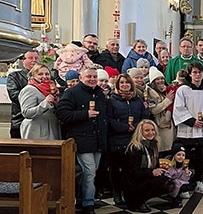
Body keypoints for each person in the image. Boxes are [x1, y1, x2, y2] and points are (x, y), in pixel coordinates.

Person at [57, 68, 108, 214]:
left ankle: (82, 198)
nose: (92, 79)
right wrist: (84, 114)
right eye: (89, 76)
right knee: (90, 171)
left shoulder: (99, 93)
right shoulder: (72, 93)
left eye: (94, 76)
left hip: (98, 140)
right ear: (81, 77)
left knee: (92, 172)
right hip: (82, 140)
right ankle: (88, 204)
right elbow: (62, 113)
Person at [172, 62, 203, 195]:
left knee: (200, 159)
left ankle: (198, 182)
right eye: (195, 72)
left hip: (202, 130)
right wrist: (192, 122)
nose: (197, 75)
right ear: (190, 74)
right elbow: (179, 108)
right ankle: (181, 185)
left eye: (200, 72)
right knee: (183, 159)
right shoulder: (182, 89)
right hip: (187, 130)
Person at [106, 73, 147, 206]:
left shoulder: (137, 100)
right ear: (118, 85)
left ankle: (128, 192)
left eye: (127, 83)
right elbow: (109, 119)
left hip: (133, 139)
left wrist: (136, 127)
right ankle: (116, 193)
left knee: (130, 169)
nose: (125, 85)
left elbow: (143, 116)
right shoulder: (111, 100)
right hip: (117, 139)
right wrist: (123, 127)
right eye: (122, 83)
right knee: (115, 168)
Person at [122, 119, 171, 213]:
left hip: (145, 177)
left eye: (152, 130)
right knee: (158, 181)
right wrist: (151, 172)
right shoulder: (135, 148)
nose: (151, 133)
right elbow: (131, 173)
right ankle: (136, 202)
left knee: (166, 178)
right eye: (147, 130)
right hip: (133, 183)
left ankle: (143, 199)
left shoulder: (153, 145)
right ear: (140, 132)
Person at [18, 63, 60, 139]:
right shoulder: (29, 89)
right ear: (33, 76)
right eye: (40, 74)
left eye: (47, 74)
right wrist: (45, 103)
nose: (44, 76)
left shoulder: (52, 89)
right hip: (37, 131)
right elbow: (26, 112)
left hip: (52, 128)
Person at [7, 50, 39, 138]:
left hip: (41, 121)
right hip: (20, 119)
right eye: (30, 58)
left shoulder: (45, 76)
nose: (34, 60)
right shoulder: (15, 76)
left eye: (36, 58)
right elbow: (14, 95)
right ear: (23, 60)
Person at [147, 67, 176, 157]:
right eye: (157, 79)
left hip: (170, 125)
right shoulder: (151, 93)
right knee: (162, 152)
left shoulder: (166, 90)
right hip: (160, 125)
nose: (160, 81)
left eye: (161, 78)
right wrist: (167, 101)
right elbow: (153, 110)